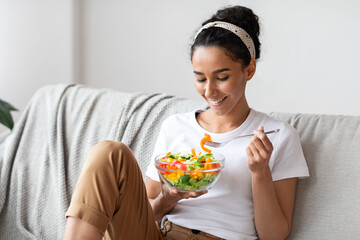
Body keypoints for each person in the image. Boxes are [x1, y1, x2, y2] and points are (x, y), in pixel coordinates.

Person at [64, 5, 309, 240]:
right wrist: (168, 199)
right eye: (200, 78)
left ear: (249, 70)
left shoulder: (278, 135)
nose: (210, 91)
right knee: (109, 152)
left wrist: (260, 172)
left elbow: (274, 235)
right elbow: (144, 213)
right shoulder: (175, 126)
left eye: (222, 77)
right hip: (159, 234)